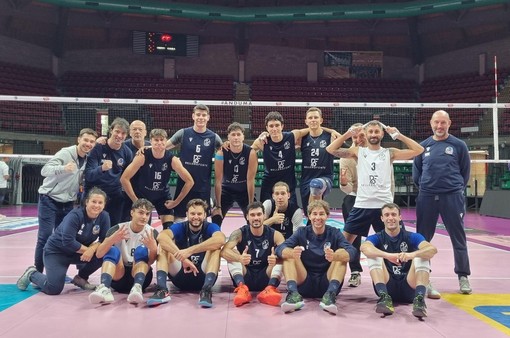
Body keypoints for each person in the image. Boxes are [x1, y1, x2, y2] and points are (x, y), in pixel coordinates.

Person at [326, 121, 424, 245]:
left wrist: (399, 135)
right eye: (370, 132)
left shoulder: (389, 152)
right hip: (362, 204)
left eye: (376, 131)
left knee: (399, 244)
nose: (373, 134)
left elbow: (419, 149)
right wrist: (348, 134)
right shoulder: (358, 152)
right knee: (343, 245)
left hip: (384, 206)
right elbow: (330, 149)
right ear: (366, 134)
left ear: (382, 134)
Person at [412, 110, 472, 296]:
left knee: (458, 237)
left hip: (452, 197)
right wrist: (427, 187)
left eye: (443, 123)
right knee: (422, 240)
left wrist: (454, 188)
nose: (439, 126)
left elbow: (465, 172)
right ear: (431, 123)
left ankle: (463, 276)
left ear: (449, 123)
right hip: (427, 197)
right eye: (436, 122)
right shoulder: (422, 147)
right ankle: (425, 278)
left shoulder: (458, 145)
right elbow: (416, 175)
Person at [17, 187, 111, 295]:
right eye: (94, 201)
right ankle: (32, 274)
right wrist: (89, 250)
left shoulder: (104, 216)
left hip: (79, 253)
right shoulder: (75, 216)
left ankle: (81, 278)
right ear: (86, 202)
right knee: (54, 289)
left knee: (106, 252)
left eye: (100, 202)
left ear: (104, 205)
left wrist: (92, 249)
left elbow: (104, 240)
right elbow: (68, 241)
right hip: (57, 252)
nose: (96, 205)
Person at [34, 128, 98, 274]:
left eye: (91, 142)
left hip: (68, 203)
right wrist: (63, 168)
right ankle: (37, 271)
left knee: (66, 238)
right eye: (86, 140)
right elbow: (45, 170)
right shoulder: (66, 152)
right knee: (45, 236)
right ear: (78, 139)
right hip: (49, 200)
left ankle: (61, 271)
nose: (88, 144)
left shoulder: (88, 158)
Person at [275, 200, 356, 315]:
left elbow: (352, 252)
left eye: (321, 214)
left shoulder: (334, 233)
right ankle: (293, 294)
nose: (318, 217)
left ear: (327, 216)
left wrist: (335, 256)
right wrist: (292, 253)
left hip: (327, 282)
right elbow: (280, 249)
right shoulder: (302, 232)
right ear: (309, 216)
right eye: (314, 214)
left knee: (341, 254)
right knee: (288, 254)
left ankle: (330, 296)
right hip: (304, 282)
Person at [361, 203, 437, 318]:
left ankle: (419, 300)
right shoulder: (377, 237)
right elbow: (364, 248)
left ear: (400, 217)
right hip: (388, 284)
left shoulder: (412, 236)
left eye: (393, 214)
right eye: (387, 215)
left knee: (422, 256)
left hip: (409, 286)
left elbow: (432, 249)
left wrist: (412, 255)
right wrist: (387, 256)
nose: (390, 218)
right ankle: (384, 297)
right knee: (373, 255)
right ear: (382, 218)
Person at [147, 199, 226, 308]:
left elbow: (220, 240)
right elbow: (161, 237)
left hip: (203, 275)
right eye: (192, 214)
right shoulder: (180, 227)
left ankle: (206, 291)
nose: (196, 217)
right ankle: (162, 290)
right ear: (187, 214)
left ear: (204, 215)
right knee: (163, 247)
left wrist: (189, 251)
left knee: (216, 249)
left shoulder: (210, 227)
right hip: (180, 275)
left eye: (199, 214)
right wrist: (183, 258)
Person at [121, 129, 194, 230]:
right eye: (156, 140)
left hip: (162, 196)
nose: (159, 142)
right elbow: (124, 178)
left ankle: (162, 245)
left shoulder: (172, 159)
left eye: (162, 140)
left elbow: (190, 181)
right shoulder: (142, 156)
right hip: (142, 195)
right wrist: (135, 200)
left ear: (166, 141)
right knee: (140, 227)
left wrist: (176, 202)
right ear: (150, 141)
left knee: (169, 229)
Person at [88, 198, 158, 305]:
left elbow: (151, 261)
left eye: (147, 214)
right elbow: (99, 254)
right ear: (132, 212)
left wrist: (153, 248)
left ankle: (137, 287)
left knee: (141, 251)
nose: (144, 217)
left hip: (141, 276)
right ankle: (104, 288)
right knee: (112, 250)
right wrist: (112, 239)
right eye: (141, 213)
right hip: (118, 277)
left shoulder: (152, 233)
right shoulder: (117, 229)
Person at [221, 201, 285, 307]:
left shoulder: (275, 235)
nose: (256, 218)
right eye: (252, 215)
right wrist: (240, 258)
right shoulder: (239, 233)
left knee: (282, 256)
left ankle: (271, 288)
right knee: (232, 252)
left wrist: (276, 260)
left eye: (259, 214)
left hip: (267, 275)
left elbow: (287, 254)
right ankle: (242, 288)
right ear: (247, 217)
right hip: (246, 275)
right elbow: (223, 252)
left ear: (264, 216)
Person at [165, 104, 223, 222]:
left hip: (202, 186)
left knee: (202, 219)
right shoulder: (183, 133)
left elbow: (225, 153)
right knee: (179, 218)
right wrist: (147, 148)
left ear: (208, 117)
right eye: (198, 115)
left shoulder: (214, 137)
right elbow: (162, 147)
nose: (200, 117)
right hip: (183, 184)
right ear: (193, 116)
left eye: (203, 115)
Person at [85, 117, 133, 227]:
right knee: (88, 228)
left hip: (114, 195)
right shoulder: (98, 147)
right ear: (111, 130)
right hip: (95, 192)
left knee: (114, 228)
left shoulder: (127, 152)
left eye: (123, 133)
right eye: (117, 131)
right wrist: (101, 168)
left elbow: (128, 177)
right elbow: (88, 176)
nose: (120, 136)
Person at [213, 122, 258, 227]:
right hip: (226, 190)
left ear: (243, 136)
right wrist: (218, 206)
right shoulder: (221, 153)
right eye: (233, 135)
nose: (236, 137)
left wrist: (251, 204)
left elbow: (251, 180)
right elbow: (218, 181)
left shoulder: (251, 153)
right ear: (228, 136)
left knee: (253, 216)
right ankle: (215, 240)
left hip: (244, 190)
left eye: (238, 134)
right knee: (216, 217)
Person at [339, 123, 366, 287]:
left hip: (375, 198)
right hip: (355, 196)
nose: (358, 139)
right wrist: (343, 184)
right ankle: (355, 271)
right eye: (354, 136)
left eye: (360, 135)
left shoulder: (377, 152)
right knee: (352, 233)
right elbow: (347, 189)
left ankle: (393, 269)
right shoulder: (345, 157)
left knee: (388, 232)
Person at [299, 107, 337, 215]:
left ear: (321, 120)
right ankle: (314, 227)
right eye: (310, 118)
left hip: (325, 178)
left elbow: (340, 137)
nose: (313, 120)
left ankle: (316, 226)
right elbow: (290, 135)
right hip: (306, 179)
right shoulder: (302, 138)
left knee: (315, 185)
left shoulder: (330, 136)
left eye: (316, 117)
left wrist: (332, 130)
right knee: (308, 213)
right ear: (306, 121)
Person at [121, 120, 151, 222]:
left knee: (145, 224)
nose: (137, 132)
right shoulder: (123, 147)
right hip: (126, 193)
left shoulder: (151, 147)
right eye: (134, 129)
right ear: (130, 132)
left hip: (146, 192)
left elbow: (164, 147)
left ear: (145, 132)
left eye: (140, 129)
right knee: (125, 224)